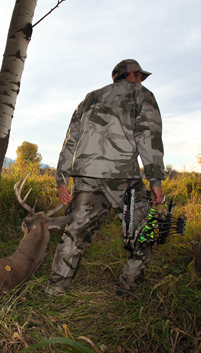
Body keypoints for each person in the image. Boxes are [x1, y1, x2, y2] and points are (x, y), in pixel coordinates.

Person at [45, 59, 165, 296]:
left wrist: (61, 178)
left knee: (76, 233)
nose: (141, 80)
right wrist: (155, 180)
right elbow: (148, 137)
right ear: (132, 75)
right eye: (140, 76)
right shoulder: (141, 95)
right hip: (121, 175)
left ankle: (55, 289)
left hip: (85, 175)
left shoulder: (89, 98)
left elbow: (70, 139)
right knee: (142, 231)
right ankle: (128, 288)